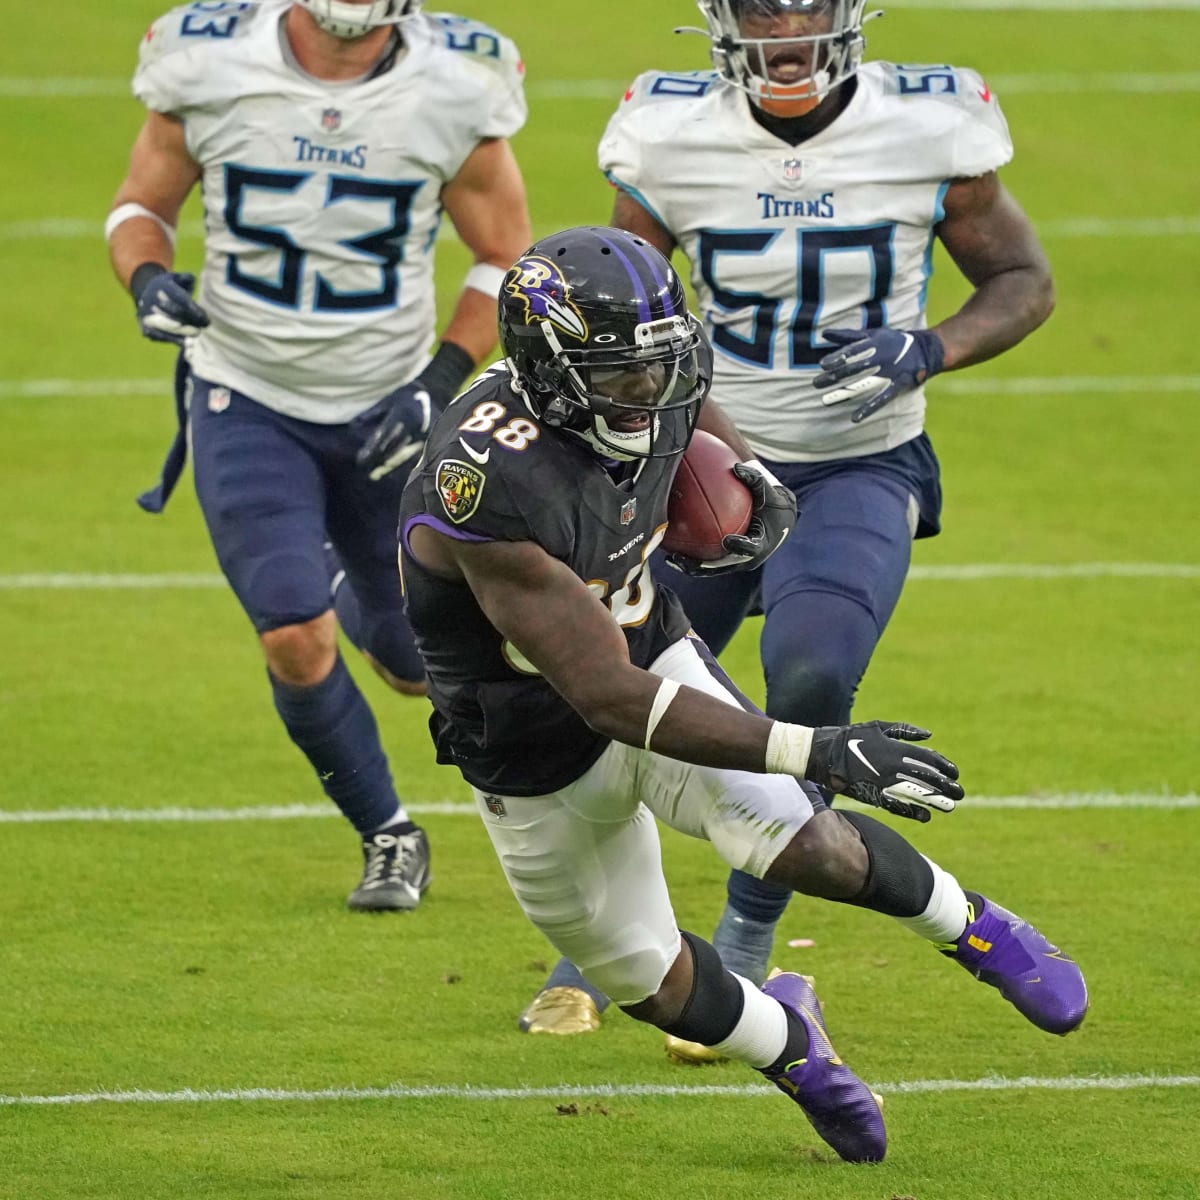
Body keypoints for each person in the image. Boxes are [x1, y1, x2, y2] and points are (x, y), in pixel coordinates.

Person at [397, 226, 1084, 1162]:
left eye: (663, 366)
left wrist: (745, 474)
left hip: (653, 651)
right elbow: (605, 695)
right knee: (645, 975)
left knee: (805, 841)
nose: (654, 395)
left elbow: (689, 406)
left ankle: (976, 929)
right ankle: (792, 1046)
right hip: (533, 747)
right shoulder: (483, 480)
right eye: (626, 377)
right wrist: (817, 747)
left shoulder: (648, 381)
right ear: (551, 371)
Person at [523, 0, 1057, 1050]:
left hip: (862, 462)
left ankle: (746, 945)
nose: (784, 27)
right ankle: (591, 950)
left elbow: (1024, 280)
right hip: (694, 465)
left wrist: (931, 346)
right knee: (606, 702)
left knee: (811, 680)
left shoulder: (932, 124)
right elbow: (624, 301)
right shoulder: (666, 132)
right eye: (760, 6)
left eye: (805, 3)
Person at [105, 0, 532, 910]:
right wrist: (146, 279)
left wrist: (440, 378)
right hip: (244, 392)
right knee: (294, 634)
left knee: (416, 668)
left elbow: (504, 255)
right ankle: (388, 834)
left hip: (388, 404)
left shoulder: (457, 82)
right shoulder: (208, 57)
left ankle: (335, 569)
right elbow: (142, 205)